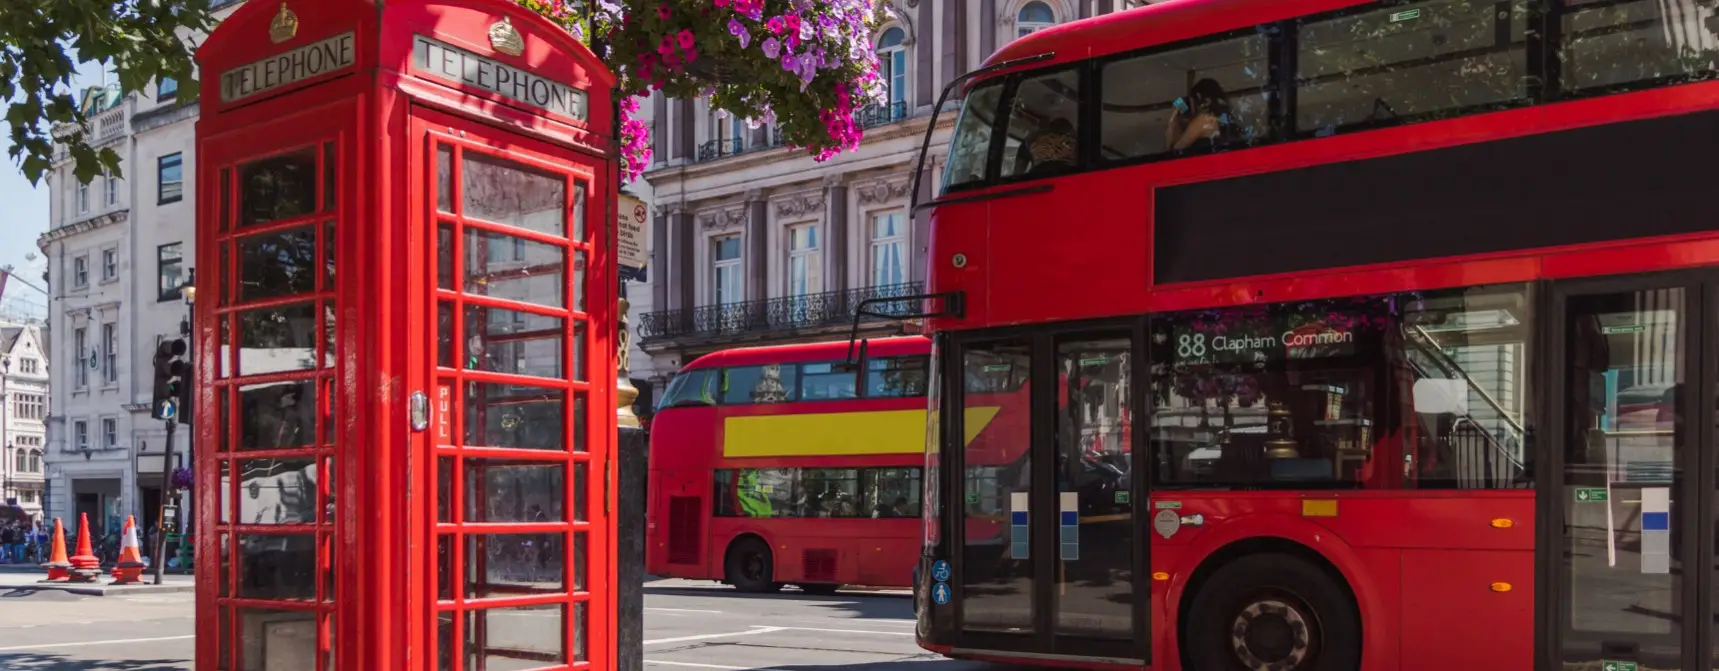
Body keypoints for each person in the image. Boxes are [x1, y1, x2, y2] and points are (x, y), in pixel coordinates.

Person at [1165, 78, 1236, 152]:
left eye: (1191, 100)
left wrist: (1173, 118)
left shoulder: (1203, 120)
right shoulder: (1221, 119)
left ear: (1198, 96)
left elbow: (1176, 150)